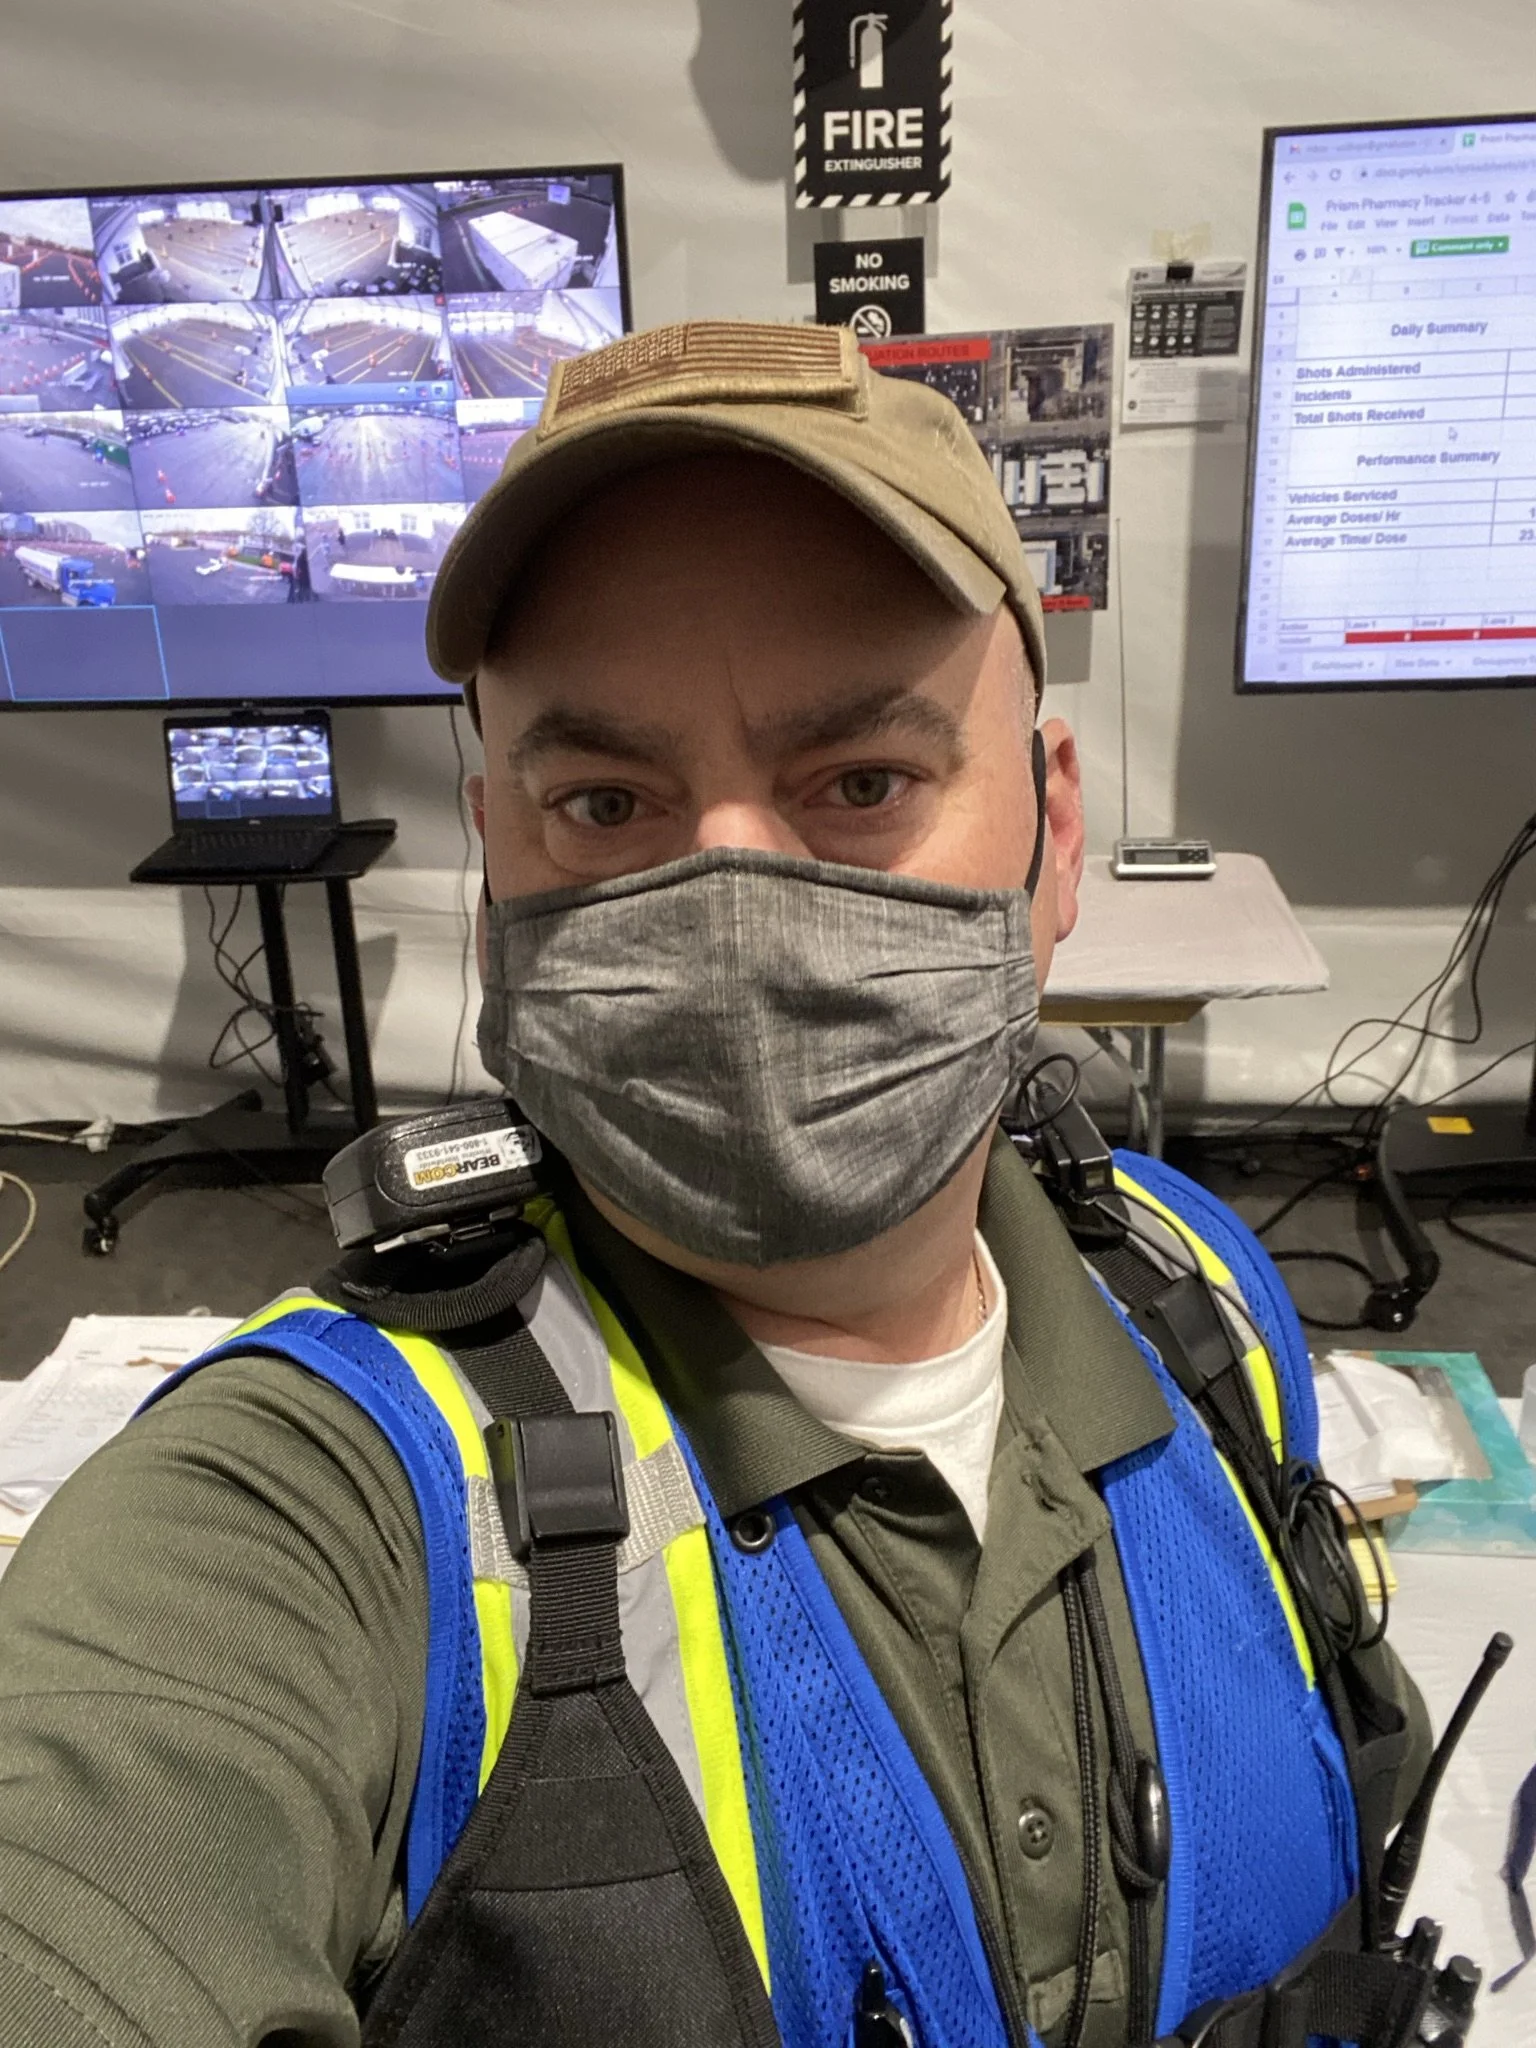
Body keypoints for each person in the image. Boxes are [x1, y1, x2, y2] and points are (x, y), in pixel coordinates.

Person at [0, 321, 1429, 2048]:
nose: (731, 897)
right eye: (607, 802)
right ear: (493, 878)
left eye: (866, 783)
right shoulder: (320, 1510)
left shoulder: (1188, 1283)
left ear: (1054, 838)